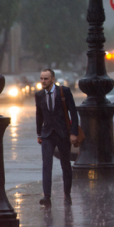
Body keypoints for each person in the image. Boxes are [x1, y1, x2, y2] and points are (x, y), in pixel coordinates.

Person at [36, 69, 79, 207]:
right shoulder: (39, 95)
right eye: (41, 78)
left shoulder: (63, 91)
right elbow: (39, 115)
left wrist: (73, 132)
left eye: (46, 79)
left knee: (65, 164)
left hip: (62, 133)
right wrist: (39, 134)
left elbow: (73, 112)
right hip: (47, 134)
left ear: (53, 79)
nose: (43, 81)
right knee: (46, 165)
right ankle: (47, 197)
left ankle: (67, 192)